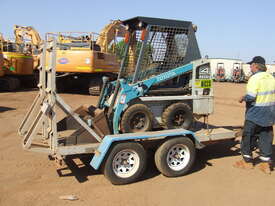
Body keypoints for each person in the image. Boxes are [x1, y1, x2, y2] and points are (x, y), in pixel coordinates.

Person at [234, 56, 275, 174]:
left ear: (256, 66)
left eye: (251, 65)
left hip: (255, 113)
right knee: (266, 137)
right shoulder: (272, 78)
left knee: (248, 136)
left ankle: (247, 162)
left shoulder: (255, 78)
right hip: (270, 113)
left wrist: (242, 98)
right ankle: (265, 164)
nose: (250, 67)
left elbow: (251, 96)